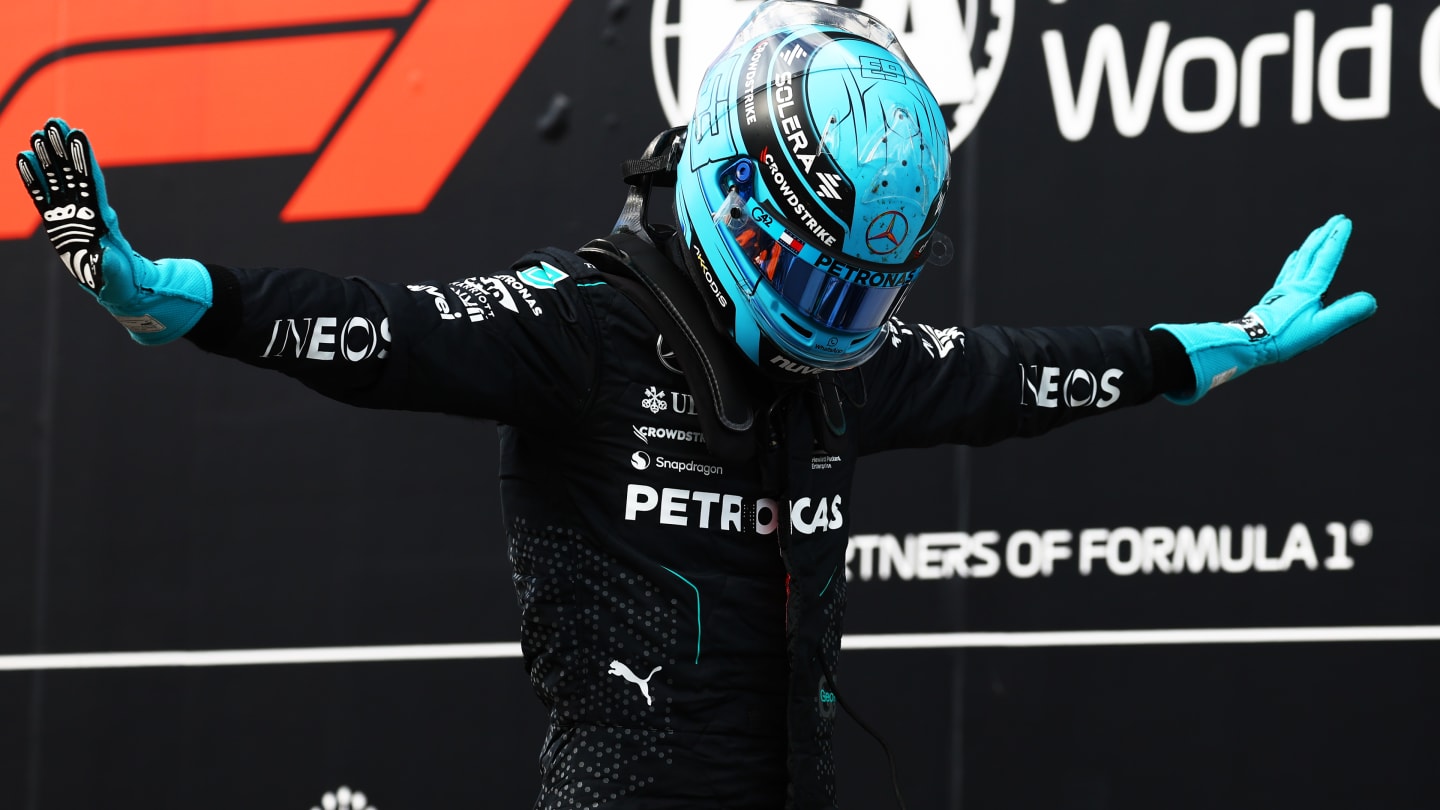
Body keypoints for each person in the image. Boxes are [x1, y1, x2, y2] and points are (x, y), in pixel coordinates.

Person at [15, 2, 1375, 809]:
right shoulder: (585, 325)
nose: (829, 311)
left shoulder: (843, 367)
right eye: (808, 266)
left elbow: (1028, 372)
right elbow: (383, 329)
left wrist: (1233, 344)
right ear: (731, 188)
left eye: (861, 287)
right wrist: (163, 291)